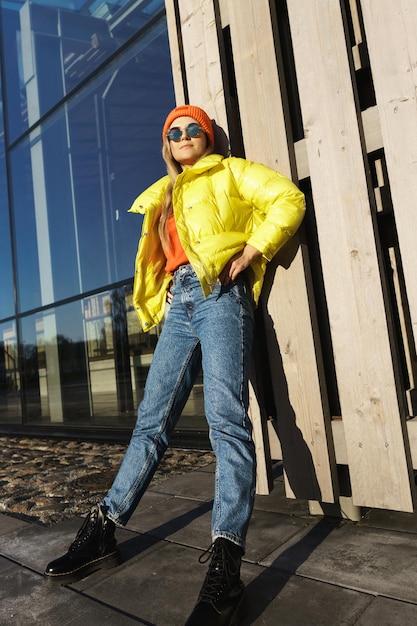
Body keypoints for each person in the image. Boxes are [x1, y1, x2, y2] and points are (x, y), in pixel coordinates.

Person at [44, 104, 305, 625]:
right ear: (167, 144)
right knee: (150, 423)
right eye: (174, 131)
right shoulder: (165, 194)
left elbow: (287, 198)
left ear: (208, 138)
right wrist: (162, 297)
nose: (184, 135)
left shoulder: (230, 171)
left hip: (219, 295)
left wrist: (252, 250)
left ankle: (227, 565)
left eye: (194, 129)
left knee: (226, 423)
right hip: (180, 304)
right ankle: (103, 530)